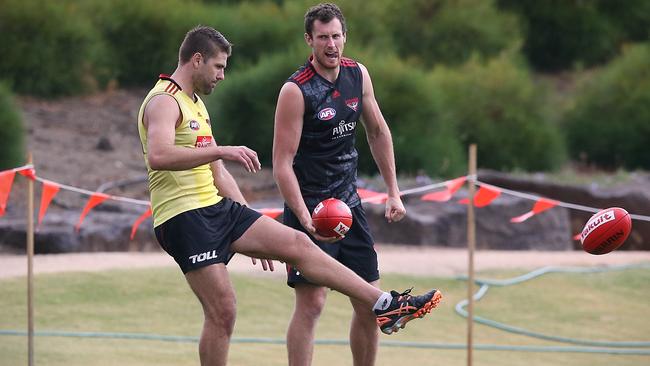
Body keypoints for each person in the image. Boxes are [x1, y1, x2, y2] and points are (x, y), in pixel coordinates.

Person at [137, 25, 441, 366]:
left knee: (299, 246)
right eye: (219, 66)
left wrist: (245, 223)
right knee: (224, 311)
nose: (222, 75)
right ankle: (384, 304)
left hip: (216, 209)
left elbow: (216, 172)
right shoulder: (165, 100)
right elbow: (159, 156)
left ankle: (385, 304)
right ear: (197, 60)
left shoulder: (196, 105)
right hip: (183, 217)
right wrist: (222, 150)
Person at [273, 4, 442, 366]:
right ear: (309, 40)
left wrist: (393, 190)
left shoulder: (358, 74)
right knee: (312, 303)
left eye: (336, 36)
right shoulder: (296, 90)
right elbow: (282, 165)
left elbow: (378, 131)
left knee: (368, 303)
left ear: (344, 36)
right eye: (323, 38)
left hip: (350, 205)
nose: (331, 44)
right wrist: (305, 219)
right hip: (312, 208)